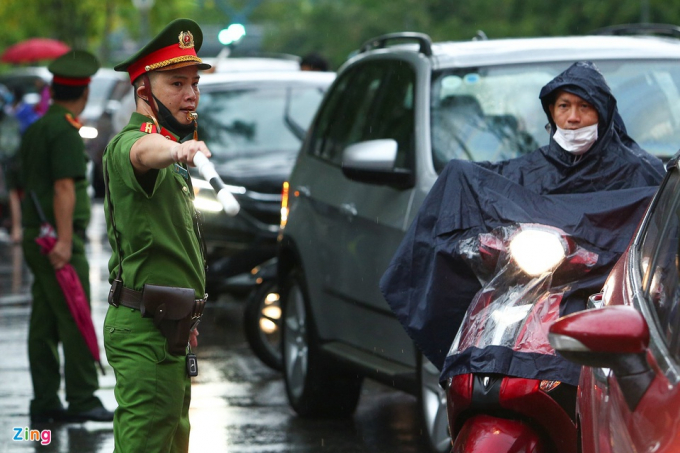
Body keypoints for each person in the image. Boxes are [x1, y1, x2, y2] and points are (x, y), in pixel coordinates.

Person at [380, 61, 665, 385]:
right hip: (527, 291)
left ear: (603, 112)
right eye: (564, 106)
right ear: (550, 112)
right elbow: (488, 191)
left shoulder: (639, 171)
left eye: (585, 107)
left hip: (601, 297)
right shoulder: (528, 170)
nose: (573, 118)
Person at [104, 18, 211, 451]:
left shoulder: (168, 150)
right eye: (176, 83)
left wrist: (188, 318)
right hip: (145, 331)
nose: (191, 94)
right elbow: (142, 151)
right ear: (144, 91)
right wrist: (176, 149)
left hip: (170, 326)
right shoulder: (134, 144)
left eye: (194, 83)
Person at [18, 50, 114, 424]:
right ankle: (82, 397)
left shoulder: (39, 127)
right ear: (85, 92)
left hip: (35, 236)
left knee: (43, 323)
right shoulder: (65, 131)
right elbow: (63, 187)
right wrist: (61, 241)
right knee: (74, 316)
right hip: (56, 241)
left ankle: (44, 402)